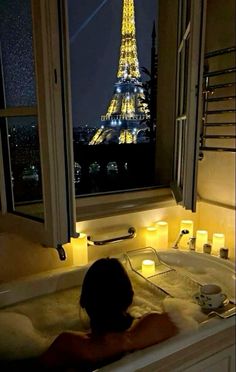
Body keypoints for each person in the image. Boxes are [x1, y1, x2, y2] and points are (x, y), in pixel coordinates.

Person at [40, 257, 178, 371]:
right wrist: (124, 342)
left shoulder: (69, 345)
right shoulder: (148, 330)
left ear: (83, 301)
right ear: (130, 297)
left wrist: (105, 347)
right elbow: (171, 321)